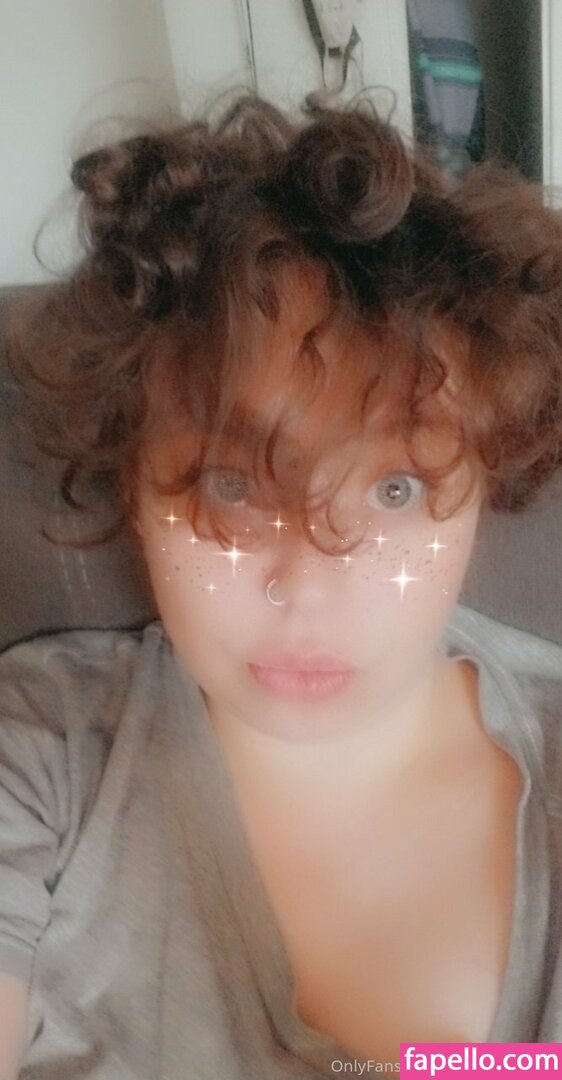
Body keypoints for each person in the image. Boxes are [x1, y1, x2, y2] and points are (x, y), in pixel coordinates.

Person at [1, 92, 561, 1078]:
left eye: (395, 488)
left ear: (483, 487)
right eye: (231, 483)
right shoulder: (42, 753)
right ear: (135, 483)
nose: (309, 587)